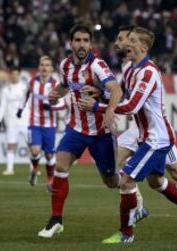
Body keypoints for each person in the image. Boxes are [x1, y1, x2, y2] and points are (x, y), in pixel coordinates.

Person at [80, 25, 177, 238]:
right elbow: (124, 99)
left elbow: (131, 106)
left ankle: (130, 229)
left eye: (129, 40)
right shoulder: (130, 69)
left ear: (142, 47)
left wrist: (97, 107)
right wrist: (101, 94)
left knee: (165, 174)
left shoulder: (147, 72)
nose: (123, 43)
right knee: (154, 180)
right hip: (143, 131)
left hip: (157, 134)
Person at [37, 24, 124, 238]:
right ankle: (56, 220)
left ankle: (131, 190)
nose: (82, 44)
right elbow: (66, 85)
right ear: (71, 43)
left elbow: (116, 89)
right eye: (78, 40)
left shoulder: (97, 66)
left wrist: (110, 111)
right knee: (60, 164)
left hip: (100, 133)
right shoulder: (65, 65)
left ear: (91, 44)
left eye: (86, 40)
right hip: (75, 128)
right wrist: (54, 93)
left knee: (111, 181)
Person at [17, 55, 66, 186]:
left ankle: (50, 180)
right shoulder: (33, 82)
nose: (44, 68)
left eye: (47, 65)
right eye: (42, 65)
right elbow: (25, 95)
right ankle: (35, 168)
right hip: (35, 123)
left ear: (51, 69)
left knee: (50, 155)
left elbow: (63, 104)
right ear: (39, 67)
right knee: (35, 150)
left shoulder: (56, 85)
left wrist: (52, 105)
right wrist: (20, 109)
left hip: (50, 125)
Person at [0, 67, 29, 175]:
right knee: (10, 145)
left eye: (16, 74)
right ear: (10, 75)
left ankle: (34, 168)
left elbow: (31, 103)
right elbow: (2, 106)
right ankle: (10, 169)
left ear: (19, 75)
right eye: (13, 74)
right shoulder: (6, 90)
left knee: (32, 145)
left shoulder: (25, 87)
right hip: (12, 122)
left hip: (26, 121)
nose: (14, 76)